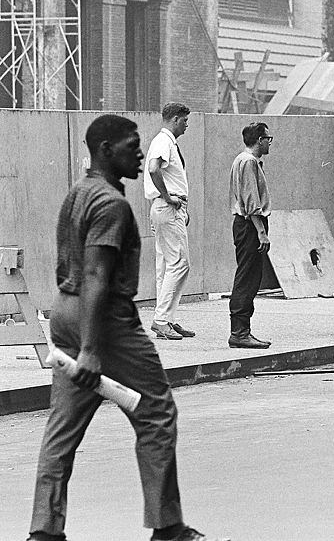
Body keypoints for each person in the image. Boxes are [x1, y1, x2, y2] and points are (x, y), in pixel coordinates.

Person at [28, 114, 224, 541]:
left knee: (61, 429)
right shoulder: (112, 205)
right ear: (104, 150)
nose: (139, 152)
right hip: (105, 320)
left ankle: (43, 531)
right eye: (131, 145)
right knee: (155, 413)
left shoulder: (78, 193)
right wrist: (93, 349)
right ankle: (167, 528)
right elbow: (98, 274)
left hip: (65, 312)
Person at [144, 103, 194, 341]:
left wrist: (181, 205)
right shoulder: (164, 141)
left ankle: (167, 319)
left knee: (166, 266)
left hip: (170, 208)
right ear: (175, 119)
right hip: (167, 207)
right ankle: (162, 320)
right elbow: (154, 169)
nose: (186, 125)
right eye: (184, 121)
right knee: (180, 264)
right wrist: (168, 197)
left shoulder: (166, 142)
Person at [227, 122, 274, 349]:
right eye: (267, 138)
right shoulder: (248, 162)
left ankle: (242, 330)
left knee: (250, 276)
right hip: (250, 225)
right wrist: (261, 232)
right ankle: (239, 332)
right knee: (247, 277)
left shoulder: (245, 161)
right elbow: (251, 200)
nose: (269, 143)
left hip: (248, 224)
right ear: (258, 140)